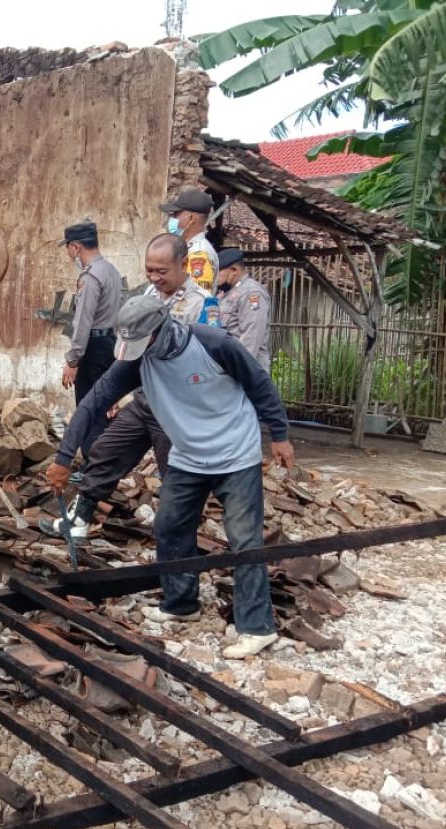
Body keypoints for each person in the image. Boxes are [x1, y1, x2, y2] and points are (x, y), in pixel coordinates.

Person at [55, 295, 295, 659]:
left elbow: (258, 382)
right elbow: (94, 401)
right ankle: (181, 603)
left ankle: (256, 627)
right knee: (170, 525)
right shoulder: (137, 361)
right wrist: (62, 456)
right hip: (188, 455)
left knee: (244, 538)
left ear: (163, 329)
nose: (137, 351)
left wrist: (279, 434)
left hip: (235, 453)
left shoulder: (213, 344)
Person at [41, 234, 208, 539]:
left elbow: (206, 366)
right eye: (149, 270)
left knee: (176, 475)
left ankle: (178, 539)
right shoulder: (148, 296)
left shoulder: (202, 305)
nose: (155, 278)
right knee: (106, 450)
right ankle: (80, 519)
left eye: (162, 271)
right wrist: (63, 458)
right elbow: (98, 394)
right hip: (145, 398)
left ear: (182, 264)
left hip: (177, 409)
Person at [59, 222, 121, 414]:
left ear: (75, 247)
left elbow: (83, 322)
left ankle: (92, 445)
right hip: (110, 343)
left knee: (89, 410)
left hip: (92, 349)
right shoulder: (111, 270)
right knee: (103, 406)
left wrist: (73, 360)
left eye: (68, 247)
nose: (68, 253)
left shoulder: (90, 277)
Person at [217, 248, 272, 371]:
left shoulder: (251, 293)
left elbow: (251, 338)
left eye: (218, 272)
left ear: (233, 271)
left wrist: (236, 368)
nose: (215, 278)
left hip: (246, 370)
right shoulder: (225, 293)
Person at [161, 189, 219, 296]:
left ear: (191, 218)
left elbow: (197, 298)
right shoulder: (188, 249)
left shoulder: (199, 253)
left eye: (176, 214)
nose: (171, 219)